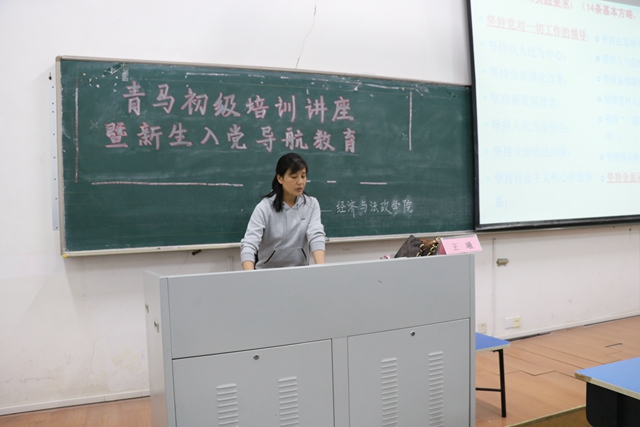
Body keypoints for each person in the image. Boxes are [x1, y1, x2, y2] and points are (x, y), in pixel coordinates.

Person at [241, 153, 326, 270]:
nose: (300, 182)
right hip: (267, 273)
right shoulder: (264, 207)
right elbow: (249, 244)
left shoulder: (311, 204)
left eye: (303, 176)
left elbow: (316, 235)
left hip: (300, 271)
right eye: (294, 177)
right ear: (280, 178)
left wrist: (321, 269)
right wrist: (250, 276)